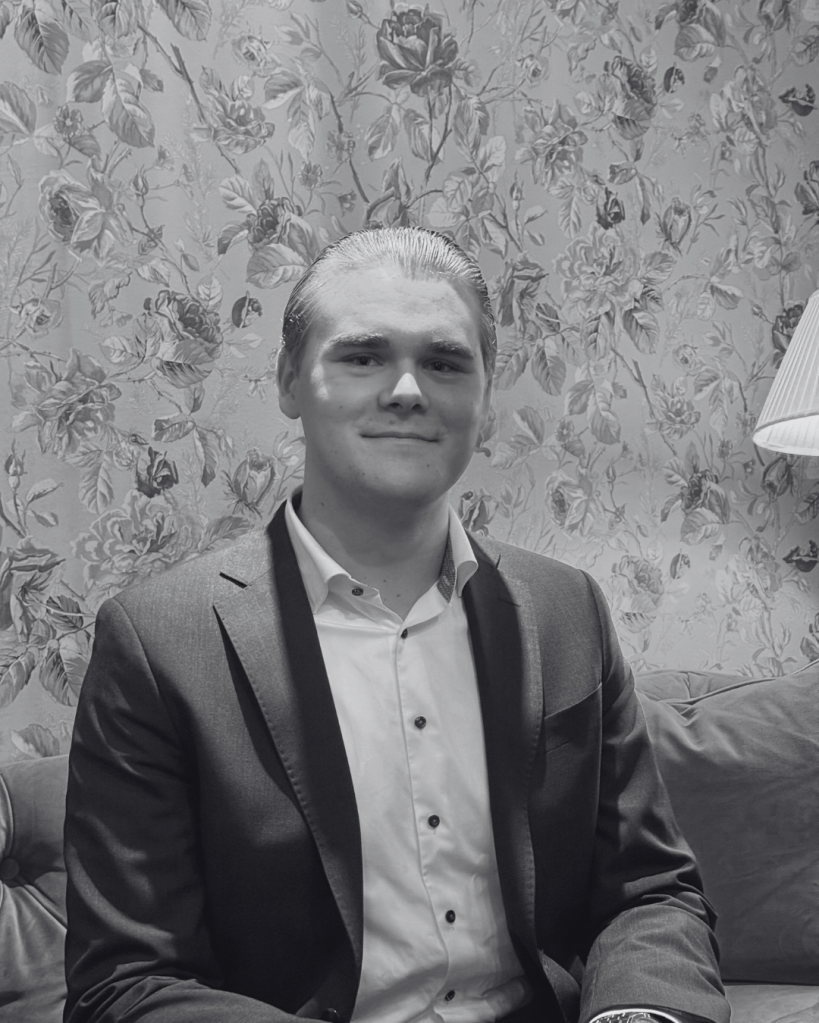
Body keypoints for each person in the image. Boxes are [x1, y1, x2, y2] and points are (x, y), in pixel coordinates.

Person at [64, 227, 729, 1023]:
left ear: (484, 394)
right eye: (363, 356)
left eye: (445, 362)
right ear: (289, 381)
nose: (408, 389)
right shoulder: (158, 641)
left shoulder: (566, 608)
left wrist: (638, 1015)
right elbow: (126, 979)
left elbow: (650, 890)